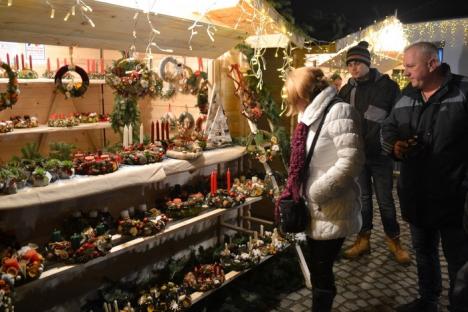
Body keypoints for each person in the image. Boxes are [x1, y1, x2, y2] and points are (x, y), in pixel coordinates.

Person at [381, 41, 468, 312]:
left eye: (410, 66)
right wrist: (395, 147)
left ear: (432, 64)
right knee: (424, 252)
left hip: (456, 196)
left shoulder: (464, 91)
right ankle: (428, 301)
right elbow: (388, 129)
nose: (404, 72)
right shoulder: (406, 95)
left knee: (459, 260)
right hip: (416, 195)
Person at [278, 67, 364, 311]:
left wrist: (316, 191)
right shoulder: (309, 114)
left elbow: (352, 161)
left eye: (291, 95)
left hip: (331, 206)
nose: (289, 101)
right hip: (316, 207)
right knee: (319, 267)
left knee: (321, 268)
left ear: (303, 92)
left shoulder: (339, 111)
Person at [339, 41, 410, 264]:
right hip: (357, 156)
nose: (353, 67)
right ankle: (363, 239)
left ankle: (394, 240)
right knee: (363, 200)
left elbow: (396, 118)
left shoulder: (386, 86)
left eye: (358, 62)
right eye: (350, 63)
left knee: (385, 200)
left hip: (380, 155)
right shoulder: (347, 89)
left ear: (367, 63)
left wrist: (393, 143)